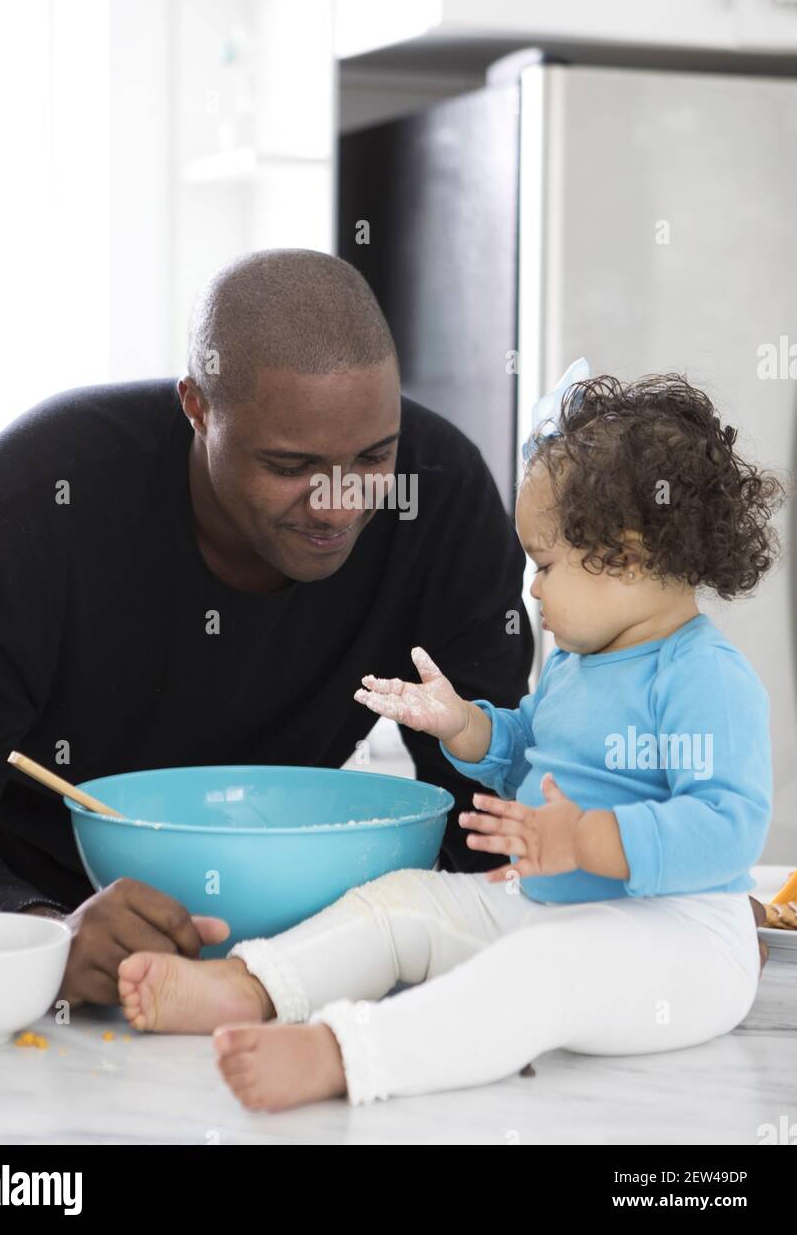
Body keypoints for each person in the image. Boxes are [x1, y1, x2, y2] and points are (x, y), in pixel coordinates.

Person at [115, 371, 783, 1111]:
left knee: (540, 970)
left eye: (547, 565)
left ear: (625, 558)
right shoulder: (578, 662)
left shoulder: (703, 679)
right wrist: (465, 725)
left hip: (680, 943)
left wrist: (587, 840)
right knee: (404, 903)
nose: (532, 589)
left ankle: (346, 1055)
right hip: (549, 908)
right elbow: (532, 758)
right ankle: (250, 985)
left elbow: (725, 829)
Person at [0, 248, 533, 1005]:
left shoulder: (441, 498)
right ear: (197, 407)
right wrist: (46, 932)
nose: (339, 505)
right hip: (45, 929)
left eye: (374, 456)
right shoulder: (23, 510)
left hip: (314, 952)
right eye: (290, 465)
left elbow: (485, 810)